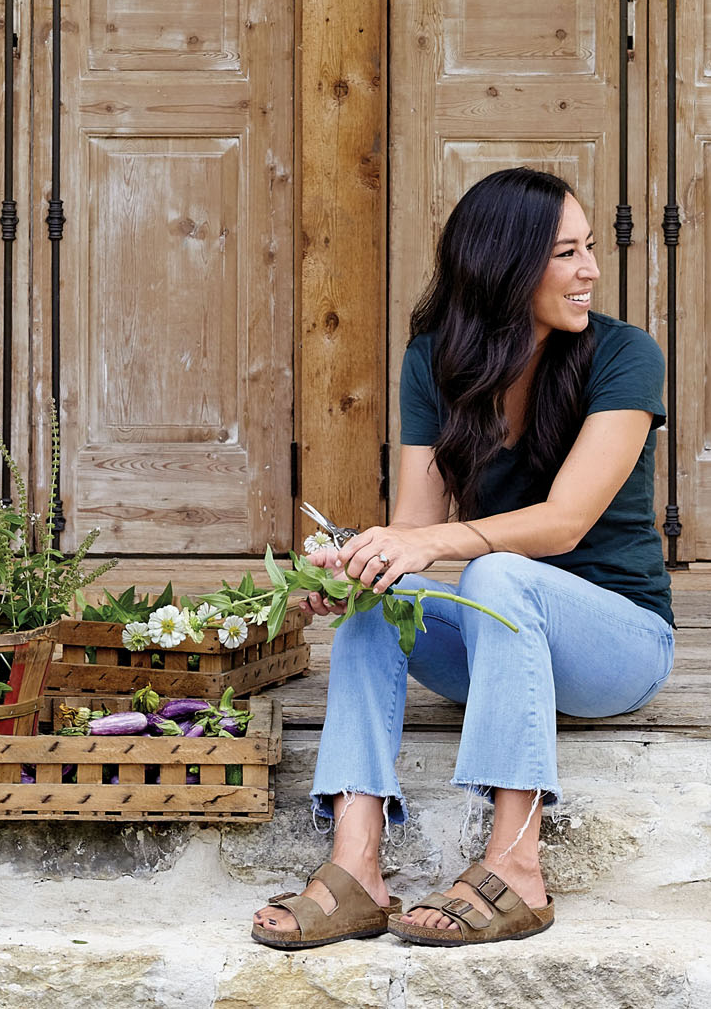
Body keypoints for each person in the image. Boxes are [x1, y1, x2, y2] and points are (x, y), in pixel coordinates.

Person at [252, 166, 675, 950]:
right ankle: (356, 867)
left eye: (588, 250)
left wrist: (422, 542)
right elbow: (416, 526)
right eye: (566, 254)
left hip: (618, 646)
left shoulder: (625, 356)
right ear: (506, 268)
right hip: (499, 639)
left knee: (497, 570)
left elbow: (566, 522)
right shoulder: (435, 362)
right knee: (384, 593)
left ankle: (515, 865)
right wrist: (359, 565)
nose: (590, 271)